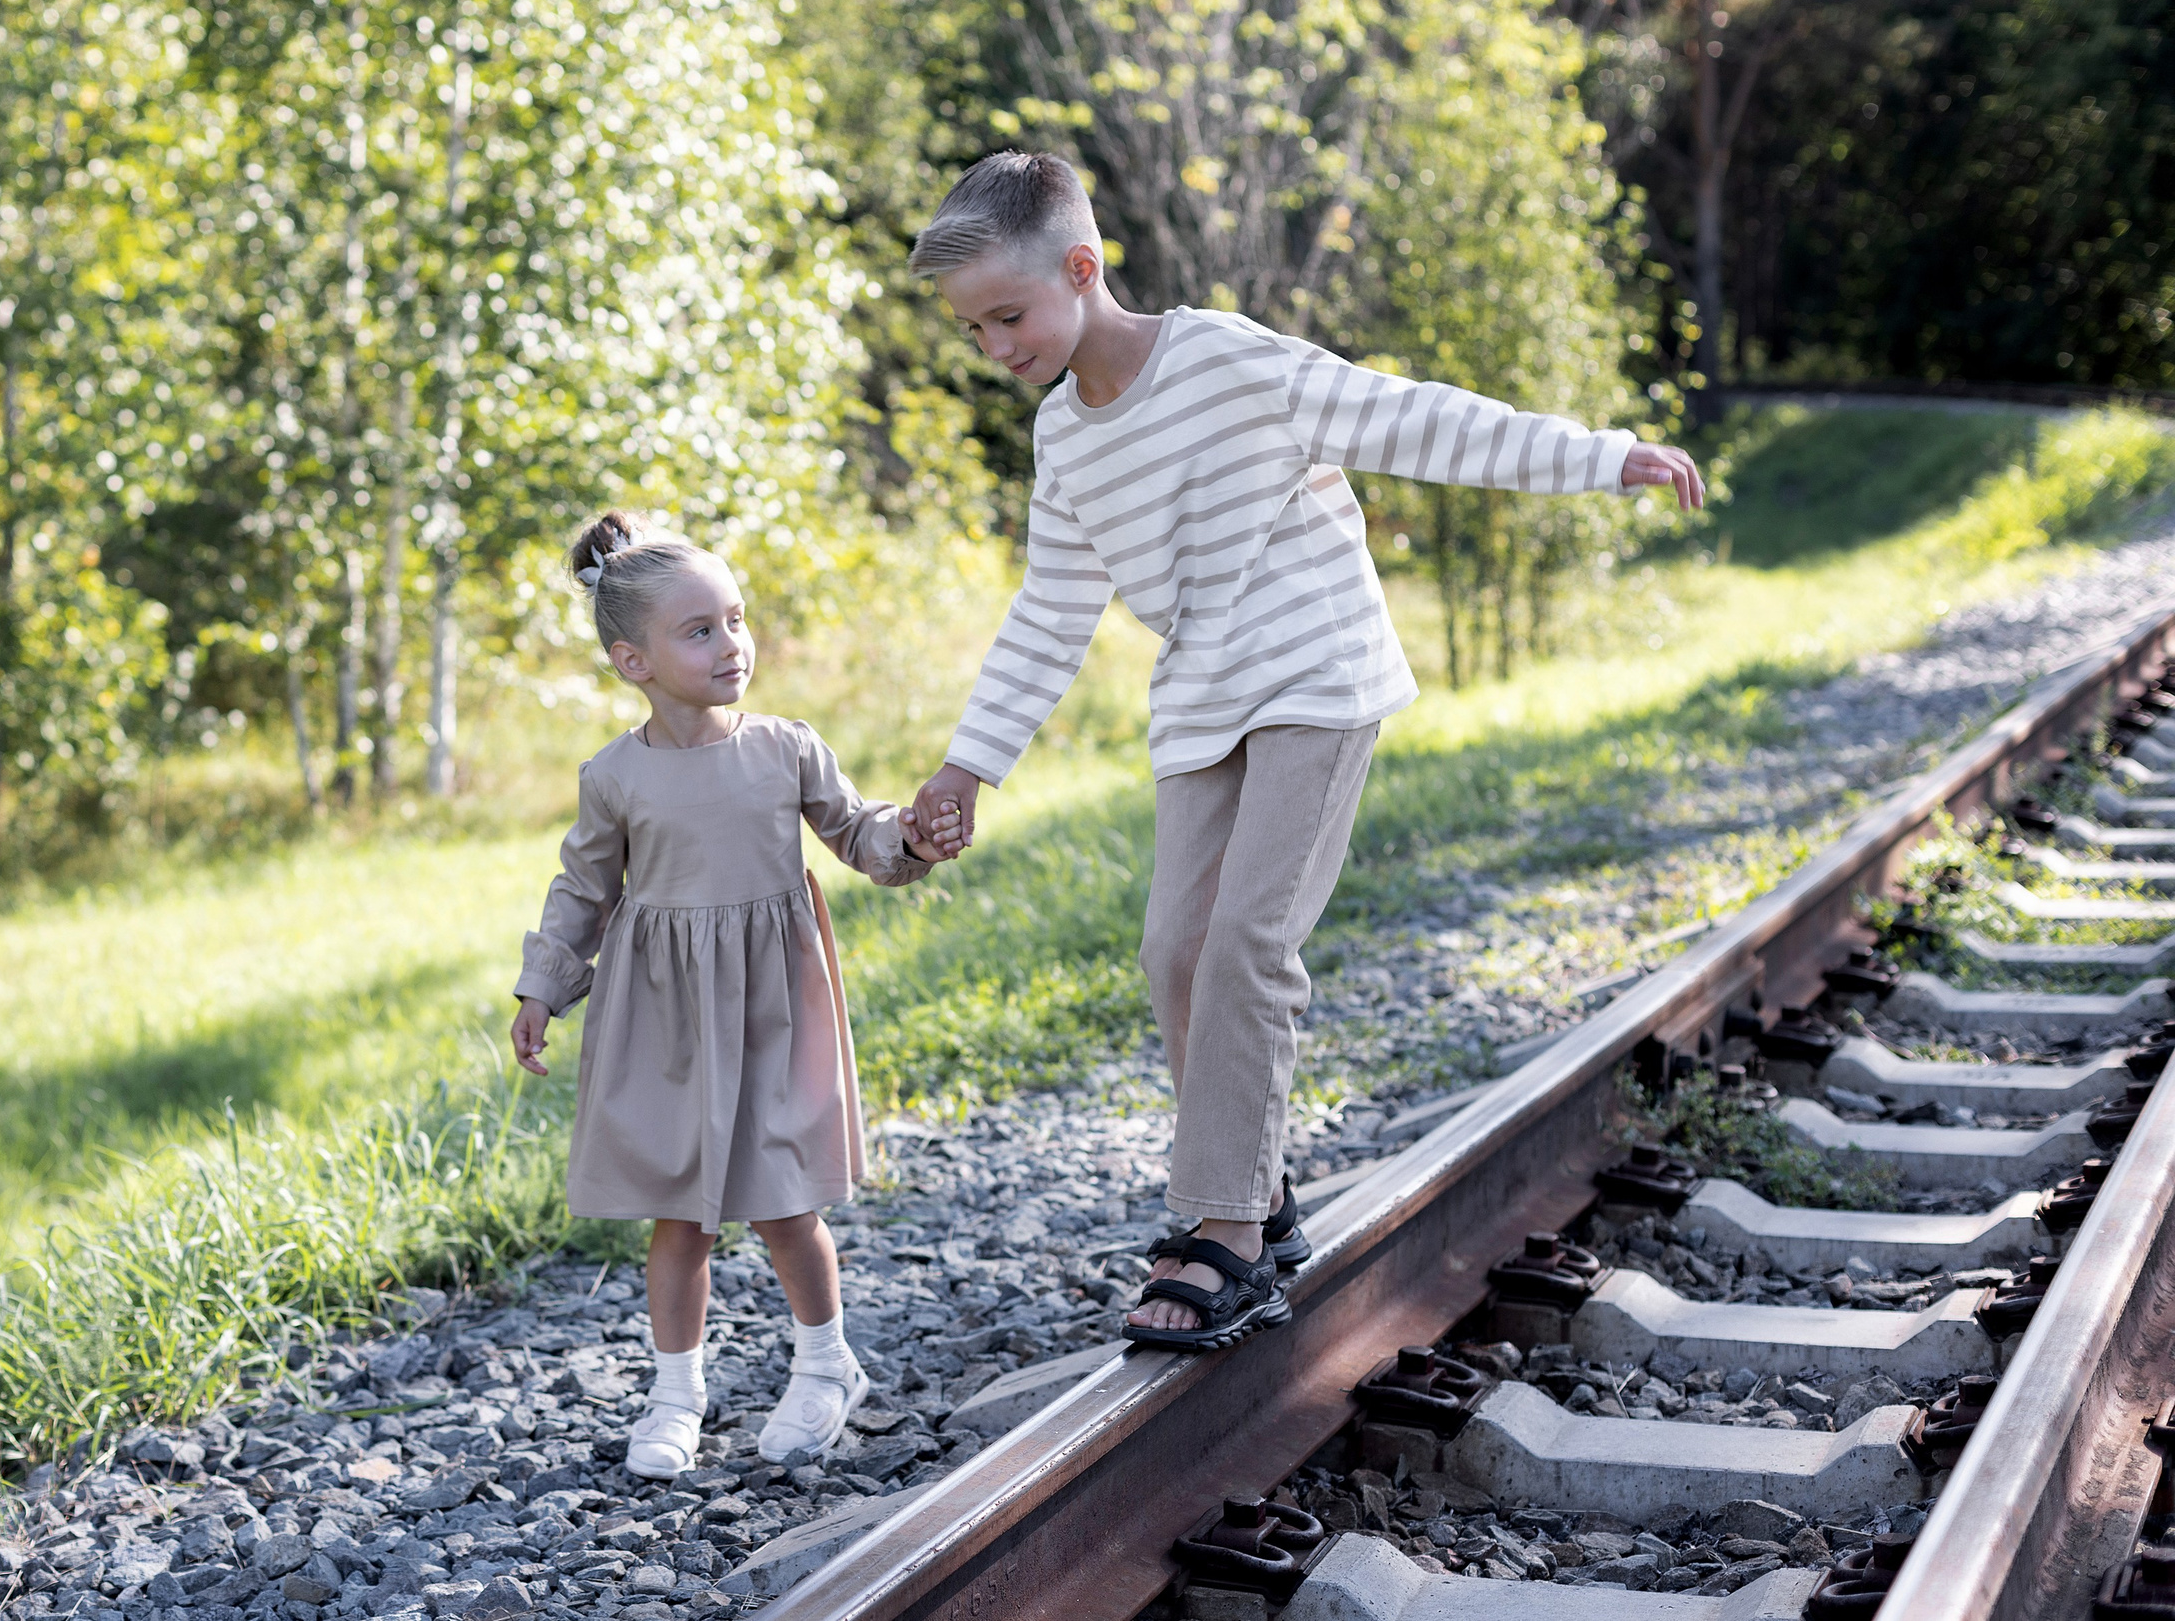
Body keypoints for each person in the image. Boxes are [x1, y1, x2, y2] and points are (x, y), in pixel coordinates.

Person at [902, 151, 1706, 1351]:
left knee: (1247, 940)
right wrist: (969, 764)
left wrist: (1597, 455)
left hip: (1317, 675)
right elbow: (1050, 615)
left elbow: (1408, 417)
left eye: (1007, 317)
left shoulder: (1225, 360)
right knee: (1174, 951)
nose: (993, 347)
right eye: (973, 330)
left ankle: (1223, 1227)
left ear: (1080, 267)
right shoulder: (1064, 438)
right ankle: (1254, 1189)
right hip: (1202, 697)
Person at [511, 511, 959, 1479]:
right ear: (633, 662)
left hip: (773, 1009)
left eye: (737, 620)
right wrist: (543, 988)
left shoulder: (785, 748)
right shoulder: (614, 777)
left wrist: (912, 838)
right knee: (681, 1213)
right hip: (667, 1020)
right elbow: (584, 891)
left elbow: (857, 832)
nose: (732, 645)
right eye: (701, 630)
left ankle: (827, 1365)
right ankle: (677, 1393)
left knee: (784, 1203)